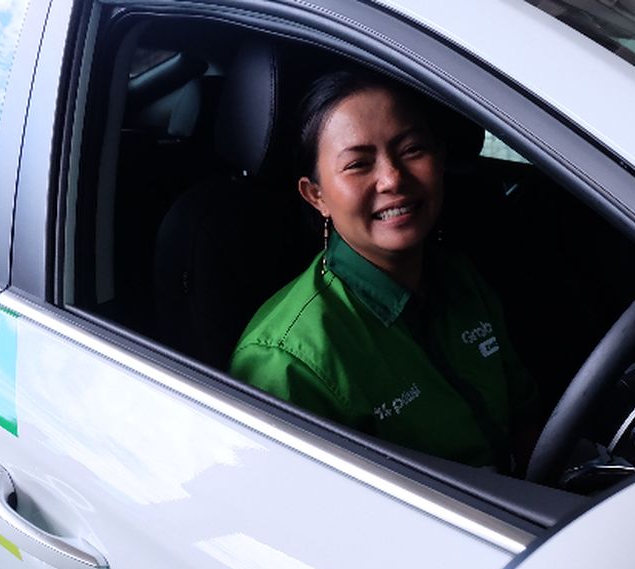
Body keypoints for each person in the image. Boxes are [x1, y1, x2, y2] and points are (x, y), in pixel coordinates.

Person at [230, 69, 537, 474]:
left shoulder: (458, 276)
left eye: (412, 150)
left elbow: (527, 417)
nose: (392, 178)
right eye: (358, 164)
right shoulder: (287, 361)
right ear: (316, 195)